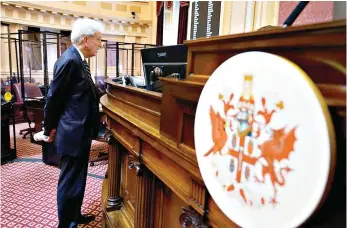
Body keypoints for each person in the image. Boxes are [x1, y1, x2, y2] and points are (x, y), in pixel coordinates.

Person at [34, 18, 104, 228]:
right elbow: (54, 99)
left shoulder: (78, 59)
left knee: (78, 177)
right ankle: (66, 223)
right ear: (86, 39)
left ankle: (75, 215)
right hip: (72, 131)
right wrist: (48, 129)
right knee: (70, 179)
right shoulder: (70, 61)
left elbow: (82, 94)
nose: (100, 44)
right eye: (98, 39)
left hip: (80, 131)